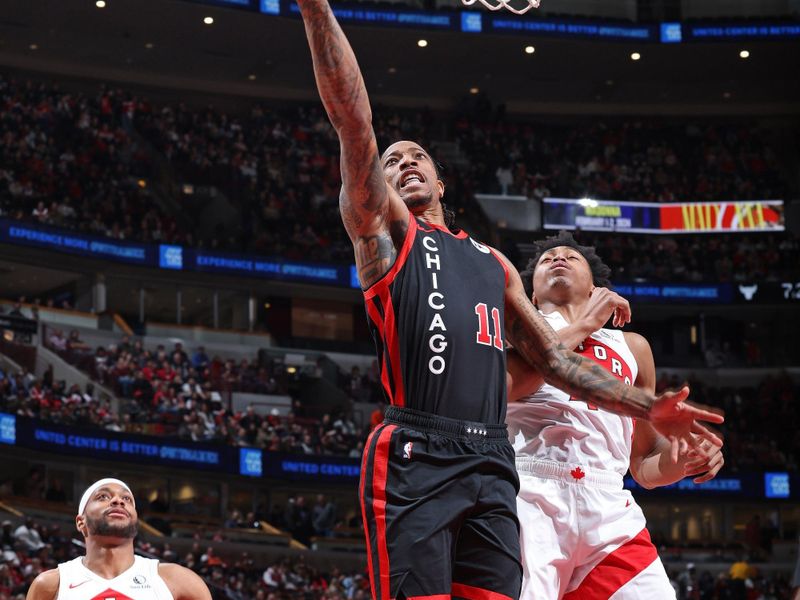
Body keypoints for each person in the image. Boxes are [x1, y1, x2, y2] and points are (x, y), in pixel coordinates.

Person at [296, 3, 723, 598]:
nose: (404, 163)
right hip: (419, 446)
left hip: (494, 461)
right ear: (379, 186)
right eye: (391, 162)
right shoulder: (387, 242)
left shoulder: (493, 264)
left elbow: (557, 363)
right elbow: (353, 122)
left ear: (442, 182)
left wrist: (647, 409)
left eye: (417, 155)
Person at [507, 232, 725, 599]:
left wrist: (682, 462)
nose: (557, 257)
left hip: (607, 501)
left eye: (571, 257)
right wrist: (588, 323)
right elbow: (504, 385)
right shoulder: (511, 331)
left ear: (595, 287)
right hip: (529, 491)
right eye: (547, 259)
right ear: (530, 296)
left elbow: (642, 465)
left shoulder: (633, 347)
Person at [26, 478, 211, 599]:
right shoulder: (50, 586)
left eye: (127, 499)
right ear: (81, 522)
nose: (118, 501)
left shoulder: (179, 581)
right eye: (103, 496)